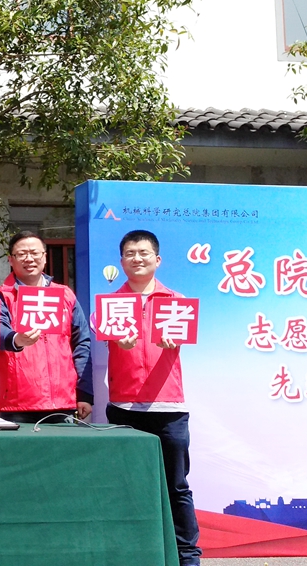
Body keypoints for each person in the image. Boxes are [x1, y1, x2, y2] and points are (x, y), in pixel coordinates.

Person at [106, 229, 201, 566]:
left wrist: (174, 341)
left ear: (157, 259)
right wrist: (118, 341)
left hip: (168, 407)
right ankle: (135, 553)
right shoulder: (111, 305)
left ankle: (187, 556)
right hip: (124, 407)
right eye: (130, 253)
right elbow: (99, 334)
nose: (137, 258)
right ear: (121, 261)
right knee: (127, 486)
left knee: (176, 486)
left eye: (144, 253)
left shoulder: (176, 302)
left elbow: (184, 337)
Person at [0, 231, 93, 424]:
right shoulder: (0, 296)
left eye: (35, 253)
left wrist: (84, 393)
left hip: (63, 403)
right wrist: (16, 339)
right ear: (11, 259)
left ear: (44, 256)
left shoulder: (65, 295)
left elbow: (81, 343)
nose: (29, 259)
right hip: (18, 405)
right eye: (21, 254)